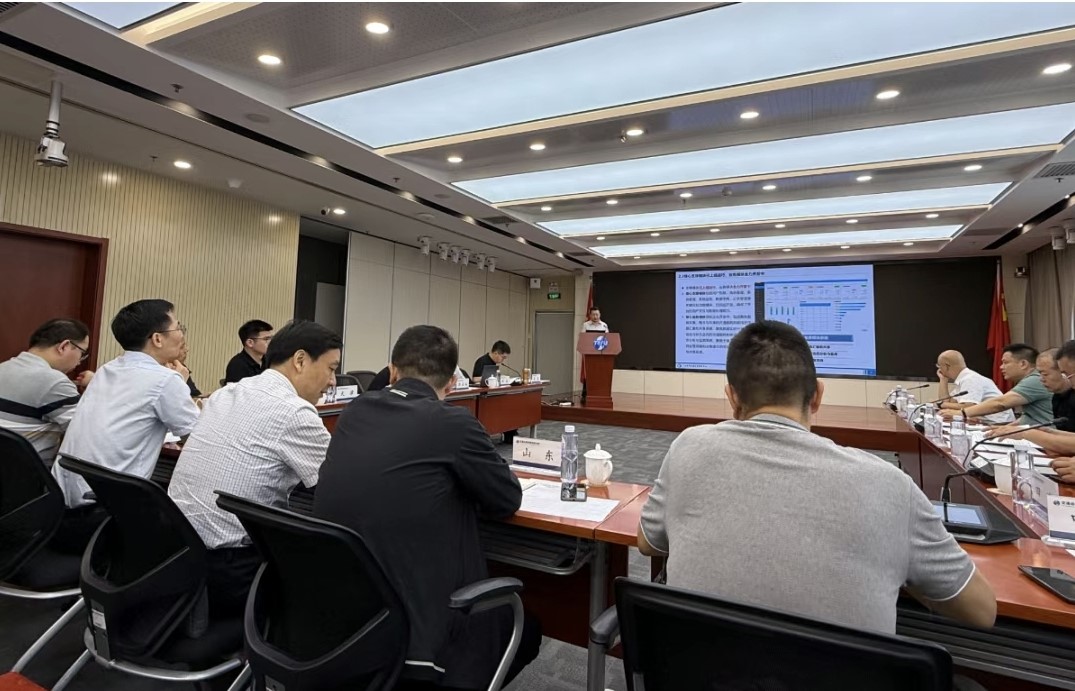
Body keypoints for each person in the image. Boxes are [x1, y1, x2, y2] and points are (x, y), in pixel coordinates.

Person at [638, 321, 996, 640]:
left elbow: (648, 543)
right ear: (818, 395)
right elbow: (982, 611)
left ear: (731, 396)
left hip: (693, 675)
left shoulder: (689, 447)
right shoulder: (890, 485)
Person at [315, 325, 540, 689]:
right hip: (422, 633)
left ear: (392, 371)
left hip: (350, 618)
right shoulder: (454, 423)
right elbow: (506, 499)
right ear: (451, 383)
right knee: (528, 629)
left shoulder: (354, 412)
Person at [168, 320, 340, 616]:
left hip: (177, 551)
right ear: (300, 360)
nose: (333, 381)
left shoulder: (226, 393)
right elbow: (339, 488)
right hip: (234, 569)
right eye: (331, 368)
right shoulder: (294, 411)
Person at [52, 299, 200, 509]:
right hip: (107, 505)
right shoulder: (165, 379)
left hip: (61, 495)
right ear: (157, 339)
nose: (182, 335)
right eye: (178, 327)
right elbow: (197, 437)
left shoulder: (108, 369)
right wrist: (180, 383)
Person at [0, 318, 94, 466]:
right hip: (28, 475)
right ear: (64, 346)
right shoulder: (56, 382)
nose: (79, 361)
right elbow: (88, 433)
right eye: (82, 353)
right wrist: (95, 386)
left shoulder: (3, 367)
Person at [940, 343, 1054, 427]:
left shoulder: (1035, 379)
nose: (1001, 367)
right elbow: (1030, 417)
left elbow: (1000, 403)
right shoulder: (1029, 379)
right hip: (1031, 432)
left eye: (1005, 362)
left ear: (1023, 364)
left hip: (1045, 438)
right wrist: (1004, 428)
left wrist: (961, 413)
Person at [934, 350, 1014, 425]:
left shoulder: (970, 379)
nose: (939, 369)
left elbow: (969, 407)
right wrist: (943, 380)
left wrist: (942, 405)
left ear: (947, 366)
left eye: (939, 366)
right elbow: (947, 401)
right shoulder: (963, 379)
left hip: (999, 423)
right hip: (984, 422)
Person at [224, 319, 274, 383]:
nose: (271, 342)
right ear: (250, 343)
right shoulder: (237, 365)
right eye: (266, 339)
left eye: (271, 338)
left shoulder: (270, 361)